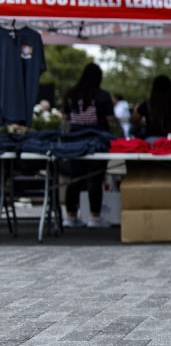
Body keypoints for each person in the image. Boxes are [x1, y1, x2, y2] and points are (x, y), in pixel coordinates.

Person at [62, 63, 113, 228]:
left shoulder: (70, 95)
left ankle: (70, 216)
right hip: (96, 142)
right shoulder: (103, 96)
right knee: (95, 179)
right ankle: (95, 216)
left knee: (74, 179)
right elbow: (111, 119)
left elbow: (65, 117)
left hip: (75, 141)